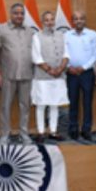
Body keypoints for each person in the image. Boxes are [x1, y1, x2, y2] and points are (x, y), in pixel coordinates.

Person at [0, 3, 35, 145]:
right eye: (16, 13)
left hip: (27, 74)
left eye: (21, 13)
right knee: (5, 106)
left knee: (25, 106)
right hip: (8, 75)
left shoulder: (30, 31)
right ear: (10, 14)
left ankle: (24, 134)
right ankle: (4, 135)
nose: (19, 16)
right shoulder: (1, 30)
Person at [31, 11, 69, 143]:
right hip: (43, 77)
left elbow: (66, 54)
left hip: (58, 76)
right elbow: (36, 57)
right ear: (42, 22)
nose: (49, 22)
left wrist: (60, 69)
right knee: (41, 104)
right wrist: (50, 70)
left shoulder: (61, 35)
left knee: (55, 104)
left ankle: (53, 131)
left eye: (52, 19)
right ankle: (41, 132)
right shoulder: (37, 36)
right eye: (46, 20)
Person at [65, 11, 96, 142]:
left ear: (85, 20)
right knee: (73, 102)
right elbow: (63, 53)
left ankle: (86, 129)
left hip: (87, 73)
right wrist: (69, 67)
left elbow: (95, 54)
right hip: (71, 73)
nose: (78, 21)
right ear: (72, 21)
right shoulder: (66, 35)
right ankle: (73, 128)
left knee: (87, 102)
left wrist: (84, 67)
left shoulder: (92, 34)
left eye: (81, 18)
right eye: (76, 19)